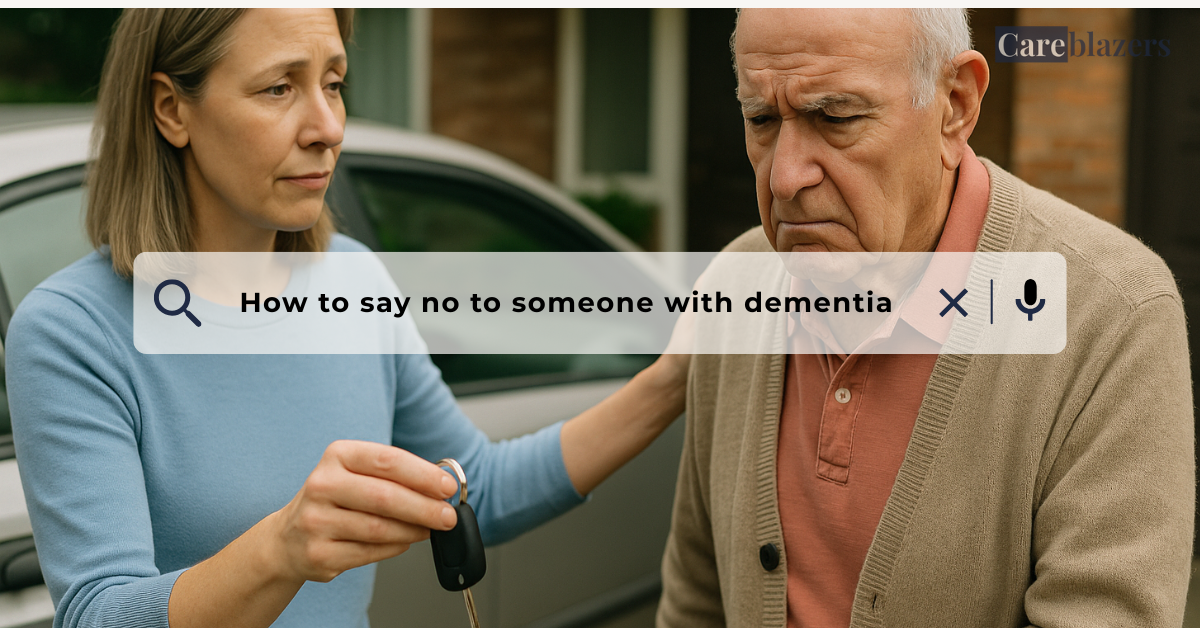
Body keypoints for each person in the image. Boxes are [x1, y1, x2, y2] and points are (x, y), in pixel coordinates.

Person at [3, 9, 686, 628]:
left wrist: (674, 378)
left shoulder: (352, 277)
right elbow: (100, 615)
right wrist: (284, 548)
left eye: (333, 83)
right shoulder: (73, 333)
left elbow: (476, 485)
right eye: (279, 88)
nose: (328, 129)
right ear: (170, 110)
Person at [657, 8, 1193, 628]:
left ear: (955, 104)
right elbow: (693, 604)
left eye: (836, 118)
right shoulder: (737, 283)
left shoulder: (1111, 312)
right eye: (761, 119)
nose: (784, 177)